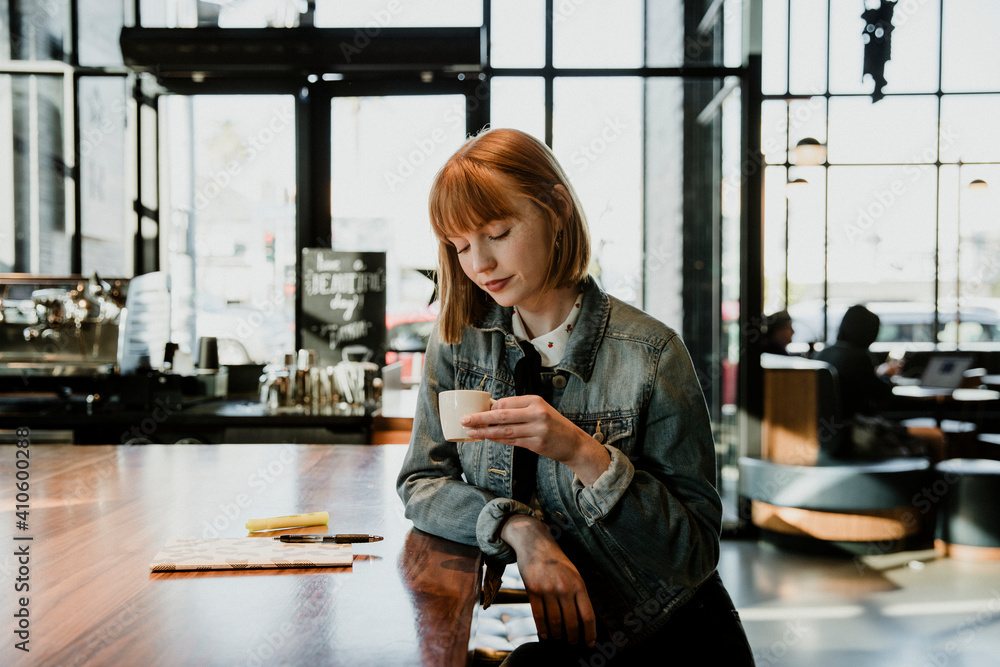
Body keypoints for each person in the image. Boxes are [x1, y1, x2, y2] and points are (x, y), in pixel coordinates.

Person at [396, 128, 754, 665]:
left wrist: (582, 452)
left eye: (498, 232)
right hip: (570, 647)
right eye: (460, 246)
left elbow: (694, 553)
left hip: (675, 639)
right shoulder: (459, 341)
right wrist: (518, 527)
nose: (480, 265)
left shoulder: (651, 354)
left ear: (556, 208)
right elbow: (423, 482)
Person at [815, 304, 941, 461]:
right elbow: (883, 396)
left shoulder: (824, 353)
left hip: (826, 435)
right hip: (857, 432)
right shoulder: (858, 357)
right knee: (935, 436)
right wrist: (888, 378)